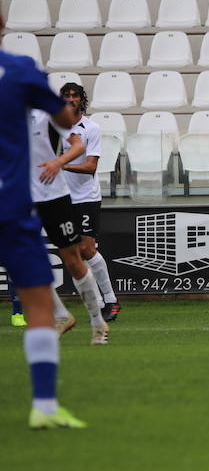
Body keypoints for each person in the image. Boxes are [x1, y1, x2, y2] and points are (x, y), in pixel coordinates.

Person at [1, 12, 86, 428]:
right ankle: (45, 408)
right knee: (39, 307)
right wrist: (64, 114)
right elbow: (66, 118)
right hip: (13, 203)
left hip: (29, 198)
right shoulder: (19, 71)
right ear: (2, 23)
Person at [30, 106, 111, 344]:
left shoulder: (45, 114)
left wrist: (58, 162)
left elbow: (78, 145)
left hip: (53, 195)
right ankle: (60, 314)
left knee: (74, 258)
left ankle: (97, 321)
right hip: (22, 196)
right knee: (19, 255)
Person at [58, 83, 121, 323]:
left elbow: (91, 167)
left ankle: (111, 300)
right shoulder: (56, 127)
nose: (71, 99)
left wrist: (61, 164)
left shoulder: (90, 128)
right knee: (74, 253)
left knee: (86, 249)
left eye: (75, 96)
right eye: (67, 96)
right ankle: (101, 303)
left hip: (86, 197)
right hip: (63, 198)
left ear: (82, 100)